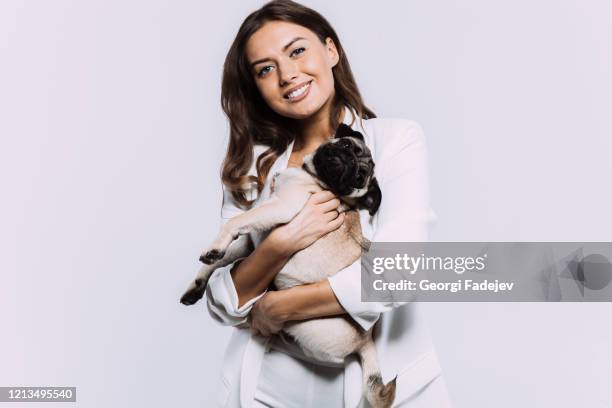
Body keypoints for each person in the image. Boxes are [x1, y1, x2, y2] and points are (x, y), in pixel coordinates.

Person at [204, 1, 453, 406]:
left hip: (379, 384)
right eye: (265, 69)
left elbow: (398, 272)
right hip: (266, 391)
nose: (287, 75)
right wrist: (281, 244)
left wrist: (275, 307)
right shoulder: (255, 167)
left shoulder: (393, 142)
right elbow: (221, 297)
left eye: (297, 50)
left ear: (331, 51)